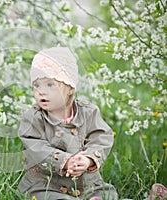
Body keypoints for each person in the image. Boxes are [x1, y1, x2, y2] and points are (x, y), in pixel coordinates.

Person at [17, 46, 118, 200]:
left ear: (70, 87)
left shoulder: (88, 112)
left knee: (107, 194)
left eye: (50, 85)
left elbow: (101, 137)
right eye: (37, 85)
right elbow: (35, 146)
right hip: (46, 184)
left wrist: (88, 159)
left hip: (86, 184)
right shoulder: (34, 117)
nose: (41, 91)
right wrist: (64, 161)